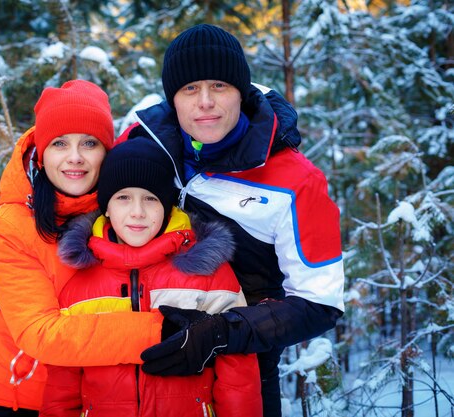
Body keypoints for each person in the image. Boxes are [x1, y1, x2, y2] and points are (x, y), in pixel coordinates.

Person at [122, 24, 345, 417]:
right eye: (190, 88)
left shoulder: (297, 181)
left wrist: (222, 332)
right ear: (172, 97)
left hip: (245, 376)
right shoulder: (143, 144)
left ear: (241, 92)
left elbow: (319, 303)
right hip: (138, 371)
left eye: (219, 86)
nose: (205, 101)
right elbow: (75, 184)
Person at [0, 80, 163, 416]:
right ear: (41, 153)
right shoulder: (10, 226)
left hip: (90, 395)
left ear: (106, 150)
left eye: (89, 143)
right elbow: (42, 333)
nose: (75, 158)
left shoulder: (123, 209)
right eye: (59, 143)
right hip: (13, 396)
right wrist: (163, 331)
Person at [40, 138, 263, 417]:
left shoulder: (209, 274)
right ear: (106, 207)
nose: (137, 212)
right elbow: (63, 381)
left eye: (150, 199)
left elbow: (238, 374)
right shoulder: (79, 280)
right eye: (123, 198)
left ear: (167, 206)